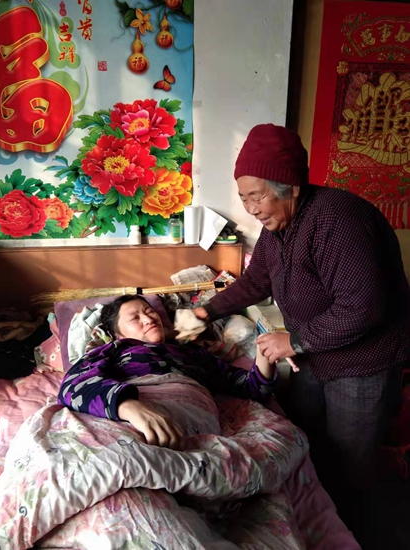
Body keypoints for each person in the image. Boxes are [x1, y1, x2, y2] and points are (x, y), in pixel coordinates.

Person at [194, 123, 410, 496]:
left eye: (257, 197)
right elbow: (257, 281)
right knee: (308, 443)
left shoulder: (339, 220)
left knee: (349, 466)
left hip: (361, 363)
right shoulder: (278, 227)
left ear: (291, 187)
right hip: (314, 352)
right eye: (244, 198)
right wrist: (205, 313)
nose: (251, 209)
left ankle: (351, 522)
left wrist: (293, 341)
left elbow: (361, 308)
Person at [58, 294, 276, 450]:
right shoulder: (114, 349)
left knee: (279, 441)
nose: (149, 319)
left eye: (150, 311)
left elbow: (251, 388)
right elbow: (73, 386)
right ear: (118, 335)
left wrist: (265, 352)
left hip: (198, 434)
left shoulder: (193, 353)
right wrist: (128, 407)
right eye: (135, 318)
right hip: (133, 425)